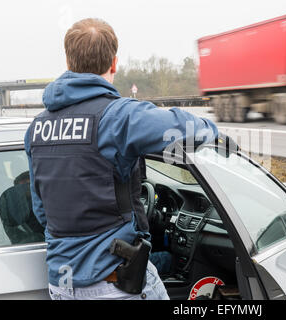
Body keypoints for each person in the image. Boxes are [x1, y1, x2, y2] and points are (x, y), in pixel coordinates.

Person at [24, 18, 218, 300]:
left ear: (67, 61)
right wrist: (215, 132)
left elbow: (42, 211)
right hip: (115, 280)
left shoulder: (37, 129)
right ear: (114, 63)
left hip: (62, 283)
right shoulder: (118, 117)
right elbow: (182, 129)